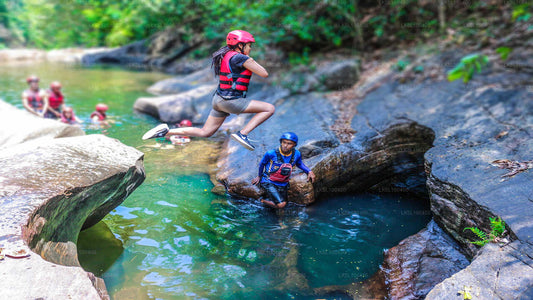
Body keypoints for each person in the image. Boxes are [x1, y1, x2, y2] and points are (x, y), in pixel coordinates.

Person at [143, 30, 275, 151]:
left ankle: (166, 131)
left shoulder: (225, 54)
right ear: (240, 45)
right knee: (269, 108)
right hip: (231, 101)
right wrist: (250, 59)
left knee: (205, 132)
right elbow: (264, 73)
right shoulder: (241, 58)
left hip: (218, 100)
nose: (250, 48)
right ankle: (243, 134)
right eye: (249, 45)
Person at [252, 132, 316, 209]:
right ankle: (261, 200)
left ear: (294, 145)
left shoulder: (297, 154)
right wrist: (259, 176)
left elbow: (299, 164)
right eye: (284, 142)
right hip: (269, 181)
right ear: (281, 142)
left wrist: (309, 171)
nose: (285, 145)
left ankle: (279, 218)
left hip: (283, 182)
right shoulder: (271, 153)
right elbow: (262, 164)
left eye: (289, 143)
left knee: (285, 203)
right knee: (281, 205)